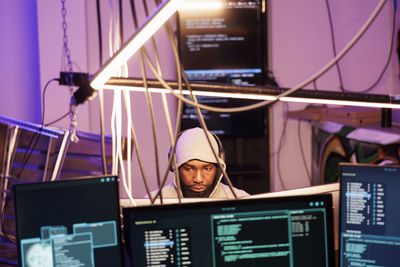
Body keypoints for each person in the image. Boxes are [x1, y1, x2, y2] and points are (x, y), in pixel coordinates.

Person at [149, 127, 249, 199]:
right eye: (189, 169)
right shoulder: (153, 201)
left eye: (207, 169)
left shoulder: (239, 199)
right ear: (175, 166)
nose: (198, 179)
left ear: (218, 167)